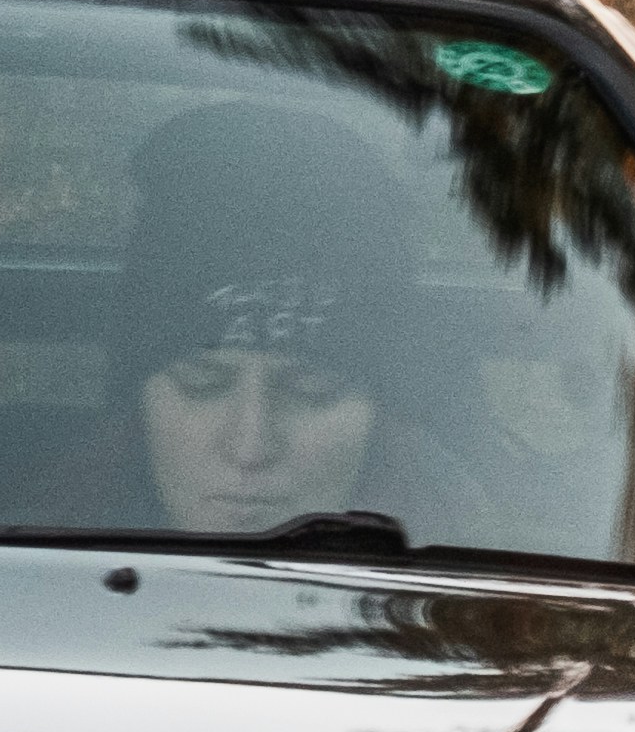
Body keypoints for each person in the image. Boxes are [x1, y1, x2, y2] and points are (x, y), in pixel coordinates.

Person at [80, 102, 458, 542]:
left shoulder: (488, 558)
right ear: (136, 402)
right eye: (202, 384)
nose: (250, 448)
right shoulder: (25, 551)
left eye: (312, 389)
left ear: (383, 417)